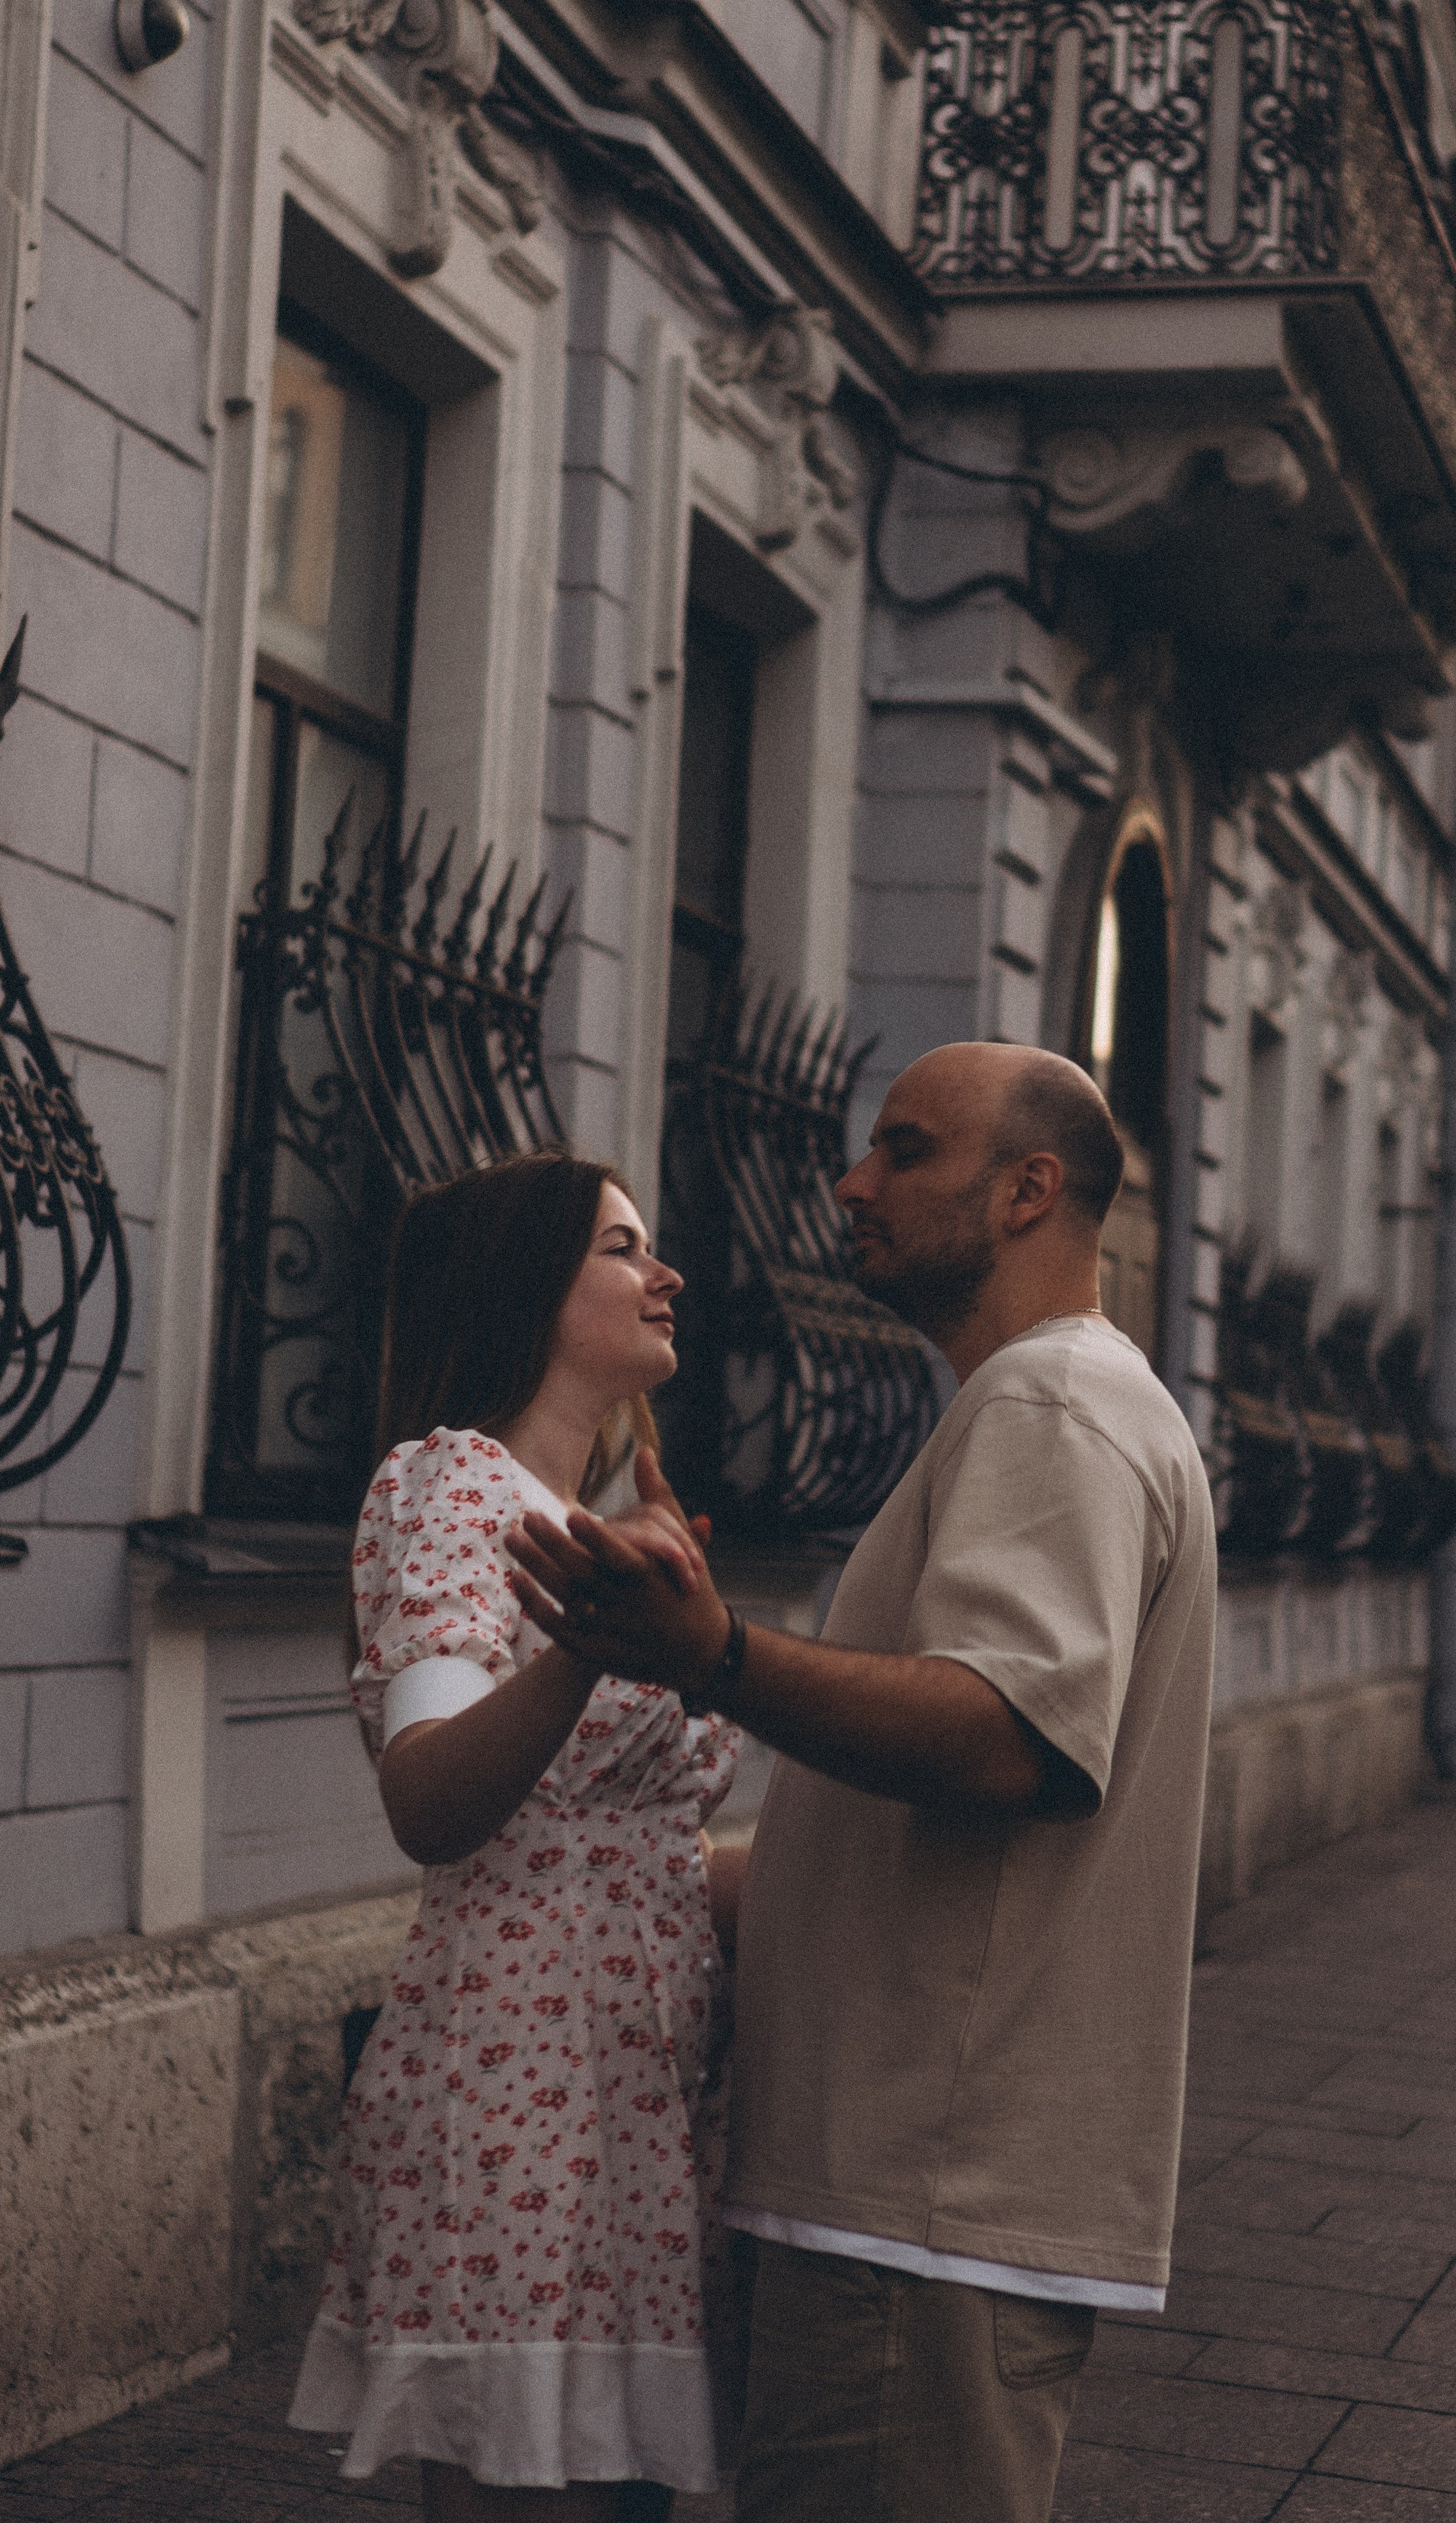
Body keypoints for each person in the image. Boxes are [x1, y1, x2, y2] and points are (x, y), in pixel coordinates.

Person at [508, 1042, 1218, 2523]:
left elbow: (1006, 1739)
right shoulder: (1057, 1398)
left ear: (1026, 1191)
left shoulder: (1051, 1404)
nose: (850, 1182)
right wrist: (614, 1876)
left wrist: (713, 1655)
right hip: (918, 2195)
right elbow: (908, 1830)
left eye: (904, 1148)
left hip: (922, 2199)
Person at [288, 1149, 744, 2521]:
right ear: (524, 1291)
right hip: (521, 2082)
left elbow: (630, 1841)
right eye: (621, 1247)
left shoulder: (582, 1523)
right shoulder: (457, 1487)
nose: (665, 1274)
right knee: (539, 2493)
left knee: (612, 2491)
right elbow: (429, 1797)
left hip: (630, 2089)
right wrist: (592, 1646)